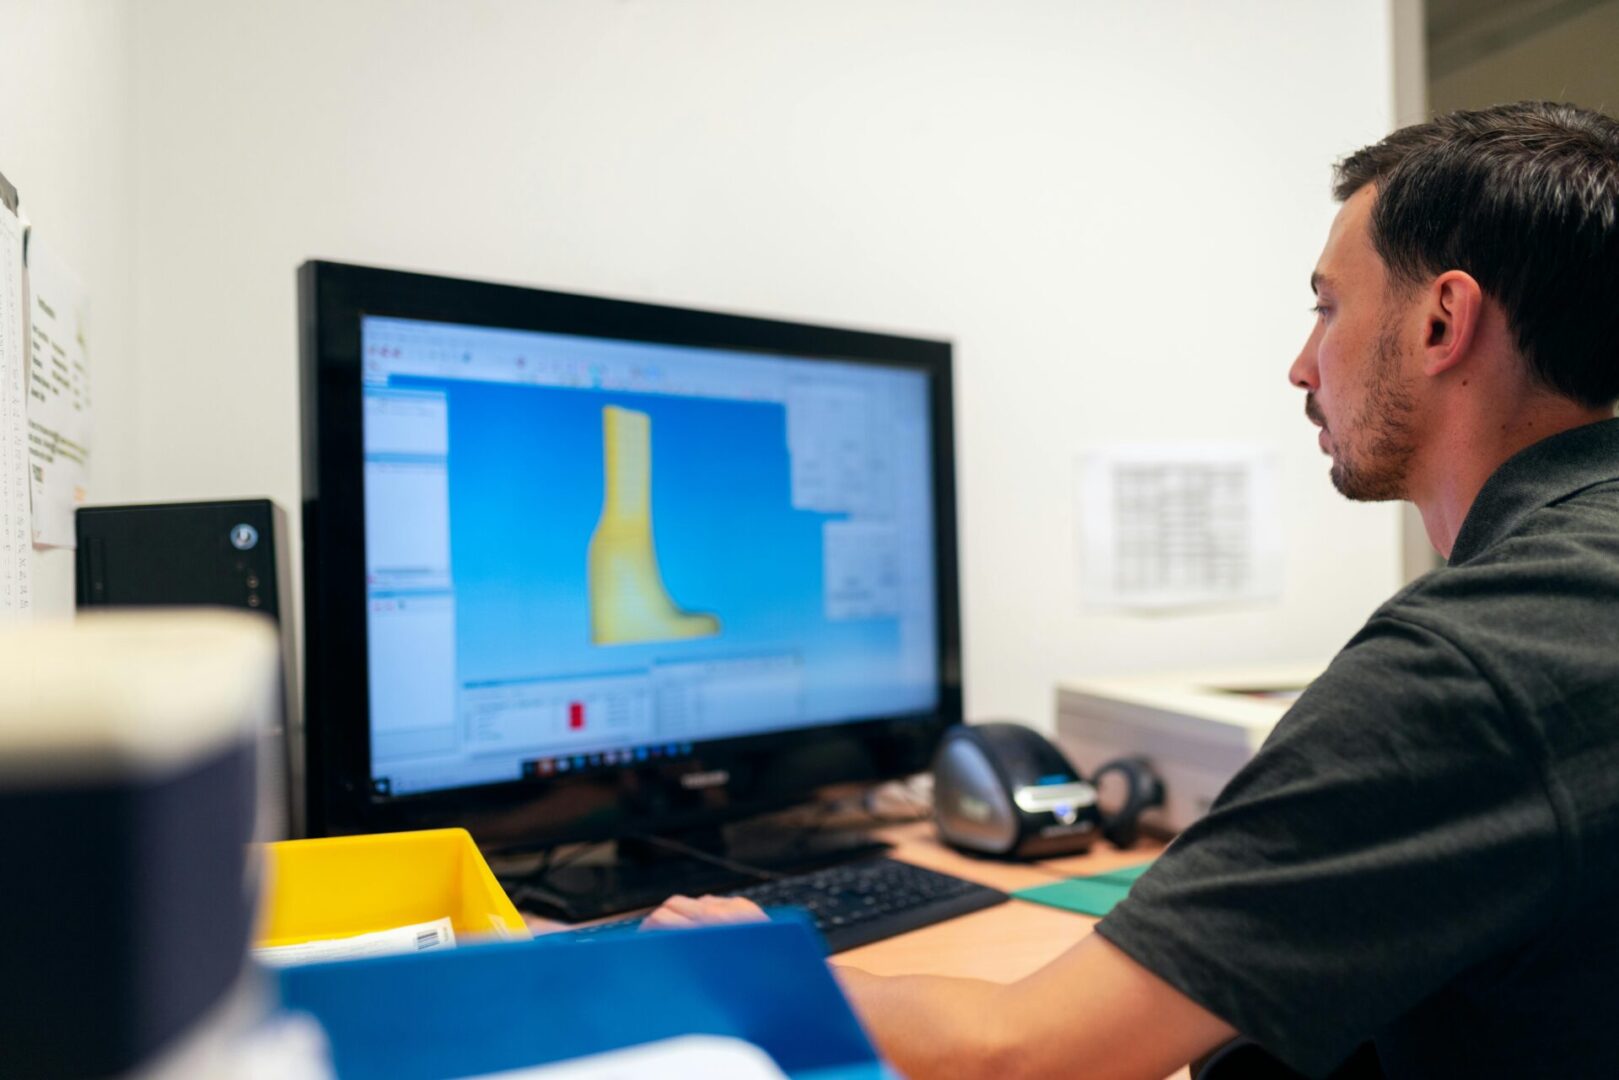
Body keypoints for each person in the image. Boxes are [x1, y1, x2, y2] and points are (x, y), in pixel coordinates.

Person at [646, 101, 1619, 1078]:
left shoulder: (1472, 663)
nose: (1298, 365)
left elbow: (1016, 1054)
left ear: (1441, 320)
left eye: (1325, 307)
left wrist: (751, 965)